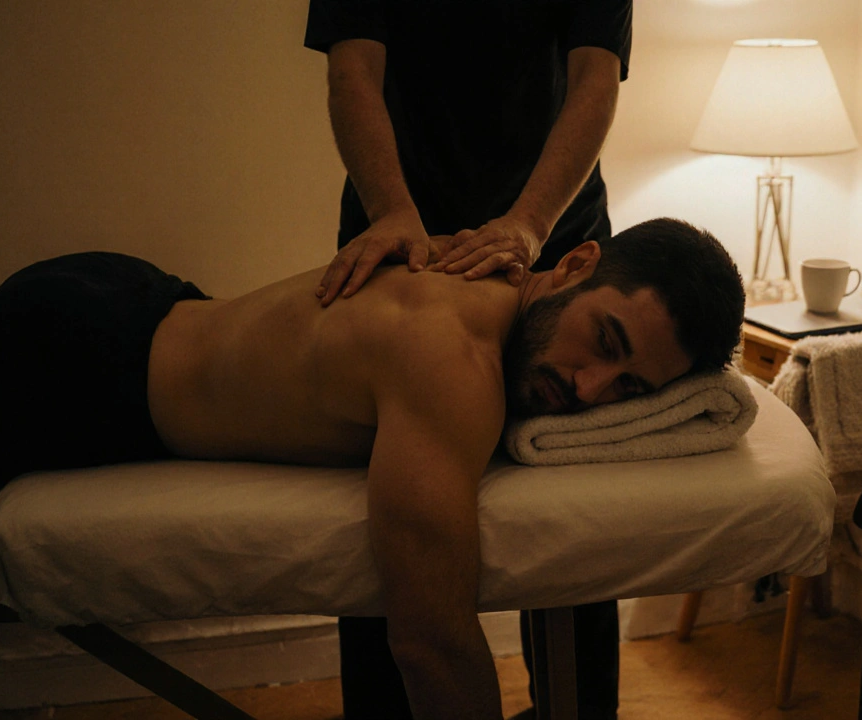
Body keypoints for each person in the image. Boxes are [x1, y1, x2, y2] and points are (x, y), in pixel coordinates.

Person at [0, 217, 745, 720]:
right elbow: (428, 639)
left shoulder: (488, 270)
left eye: (630, 389)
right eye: (605, 343)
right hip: (78, 365)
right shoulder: (453, 366)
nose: (588, 391)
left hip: (139, 294)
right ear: (573, 265)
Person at [303, 2, 633, 717]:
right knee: (398, 494)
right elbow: (353, 69)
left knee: (573, 509)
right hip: (402, 234)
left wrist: (529, 224)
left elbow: (595, 81)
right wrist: (393, 211)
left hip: (552, 230)